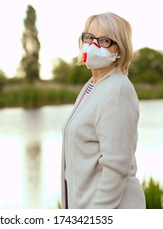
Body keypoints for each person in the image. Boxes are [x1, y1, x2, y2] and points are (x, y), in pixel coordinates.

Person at [61, 12, 146, 209]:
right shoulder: (94, 85)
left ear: (120, 50)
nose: (93, 45)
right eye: (89, 37)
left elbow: (116, 167)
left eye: (105, 40)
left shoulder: (117, 92)